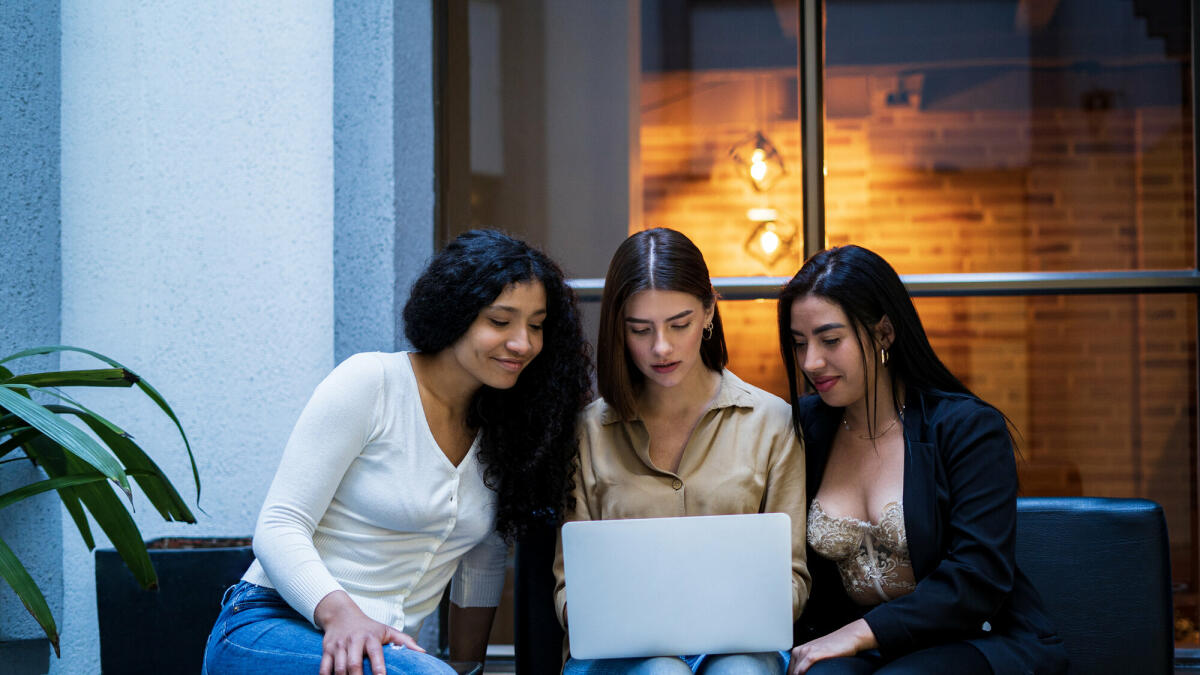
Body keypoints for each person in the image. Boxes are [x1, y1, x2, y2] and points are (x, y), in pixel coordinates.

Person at [202, 230, 593, 675]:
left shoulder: (505, 428)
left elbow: (480, 562)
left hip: (387, 654)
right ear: (454, 313)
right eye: (500, 322)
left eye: (536, 325)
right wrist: (343, 615)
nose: (523, 343)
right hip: (270, 624)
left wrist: (468, 668)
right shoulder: (371, 382)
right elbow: (277, 525)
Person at [778, 245, 1068, 675]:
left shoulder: (967, 428)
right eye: (799, 343)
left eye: (830, 339)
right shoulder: (806, 428)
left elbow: (977, 577)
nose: (810, 362)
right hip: (855, 645)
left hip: (974, 638)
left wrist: (859, 632)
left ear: (884, 333)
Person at [553, 227, 810, 675]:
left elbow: (792, 580)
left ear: (710, 309)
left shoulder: (771, 422)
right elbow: (569, 591)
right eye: (640, 329)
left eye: (680, 323)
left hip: (739, 648)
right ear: (619, 326)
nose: (661, 347)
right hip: (620, 655)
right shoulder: (588, 432)